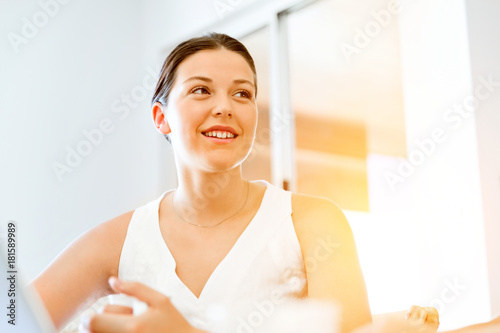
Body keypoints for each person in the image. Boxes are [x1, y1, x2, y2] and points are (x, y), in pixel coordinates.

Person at [32, 32, 464, 333]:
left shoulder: (313, 222)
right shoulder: (119, 240)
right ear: (161, 117)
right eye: (201, 90)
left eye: (242, 94)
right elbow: (14, 312)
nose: (225, 107)